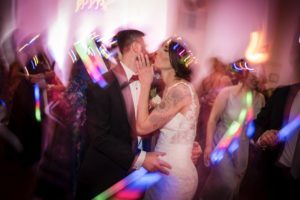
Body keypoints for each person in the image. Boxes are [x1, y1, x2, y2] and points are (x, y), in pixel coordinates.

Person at [76, 29, 202, 200]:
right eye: (146, 46)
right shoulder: (101, 86)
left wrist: (185, 142)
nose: (151, 51)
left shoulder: (155, 84)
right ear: (136, 47)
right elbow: (99, 137)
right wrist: (140, 159)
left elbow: (157, 124)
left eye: (159, 49)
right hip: (109, 174)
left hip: (153, 173)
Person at [134, 37, 200, 200]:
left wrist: (145, 84)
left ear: (174, 59)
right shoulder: (169, 89)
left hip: (173, 176)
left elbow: (142, 128)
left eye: (163, 49)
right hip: (162, 168)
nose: (156, 52)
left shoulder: (179, 91)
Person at [201, 60, 265, 200]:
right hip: (222, 142)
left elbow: (258, 126)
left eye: (258, 75)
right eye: (252, 73)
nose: (255, 78)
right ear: (245, 73)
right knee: (228, 183)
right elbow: (212, 119)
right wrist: (208, 145)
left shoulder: (260, 99)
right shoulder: (227, 93)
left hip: (242, 147)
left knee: (233, 182)